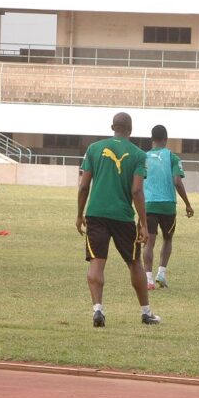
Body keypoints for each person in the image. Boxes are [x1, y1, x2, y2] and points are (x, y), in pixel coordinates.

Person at [76, 112, 160, 327]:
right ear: (130, 130)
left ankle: (97, 309)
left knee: (97, 262)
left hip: (96, 214)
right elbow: (136, 191)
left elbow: (84, 185)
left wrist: (79, 214)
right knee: (134, 263)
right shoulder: (138, 154)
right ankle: (146, 312)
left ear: (112, 126)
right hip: (122, 216)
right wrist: (142, 223)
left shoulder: (94, 149)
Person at [143, 124, 194, 290]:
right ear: (166, 139)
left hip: (149, 205)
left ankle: (148, 279)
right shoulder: (173, 157)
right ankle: (161, 274)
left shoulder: (142, 157)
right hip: (168, 206)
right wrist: (187, 203)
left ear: (152, 139)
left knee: (149, 242)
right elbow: (177, 182)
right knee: (167, 238)